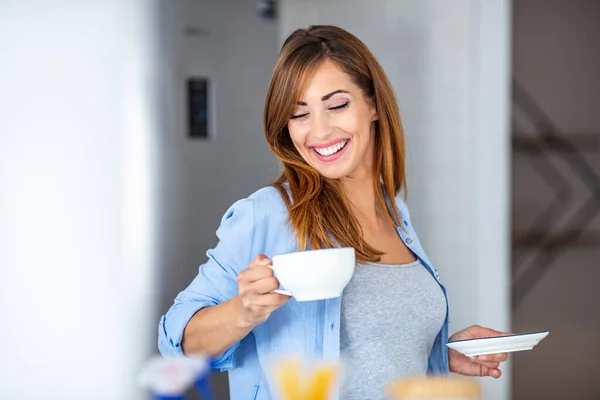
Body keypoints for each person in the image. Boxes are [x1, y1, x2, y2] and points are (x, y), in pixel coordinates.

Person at [158, 25, 508, 400]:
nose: (320, 131)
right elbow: (176, 340)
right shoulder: (270, 213)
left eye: (337, 105)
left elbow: (376, 355)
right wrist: (244, 310)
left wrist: (443, 352)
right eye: (299, 114)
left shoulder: (396, 213)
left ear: (373, 104)